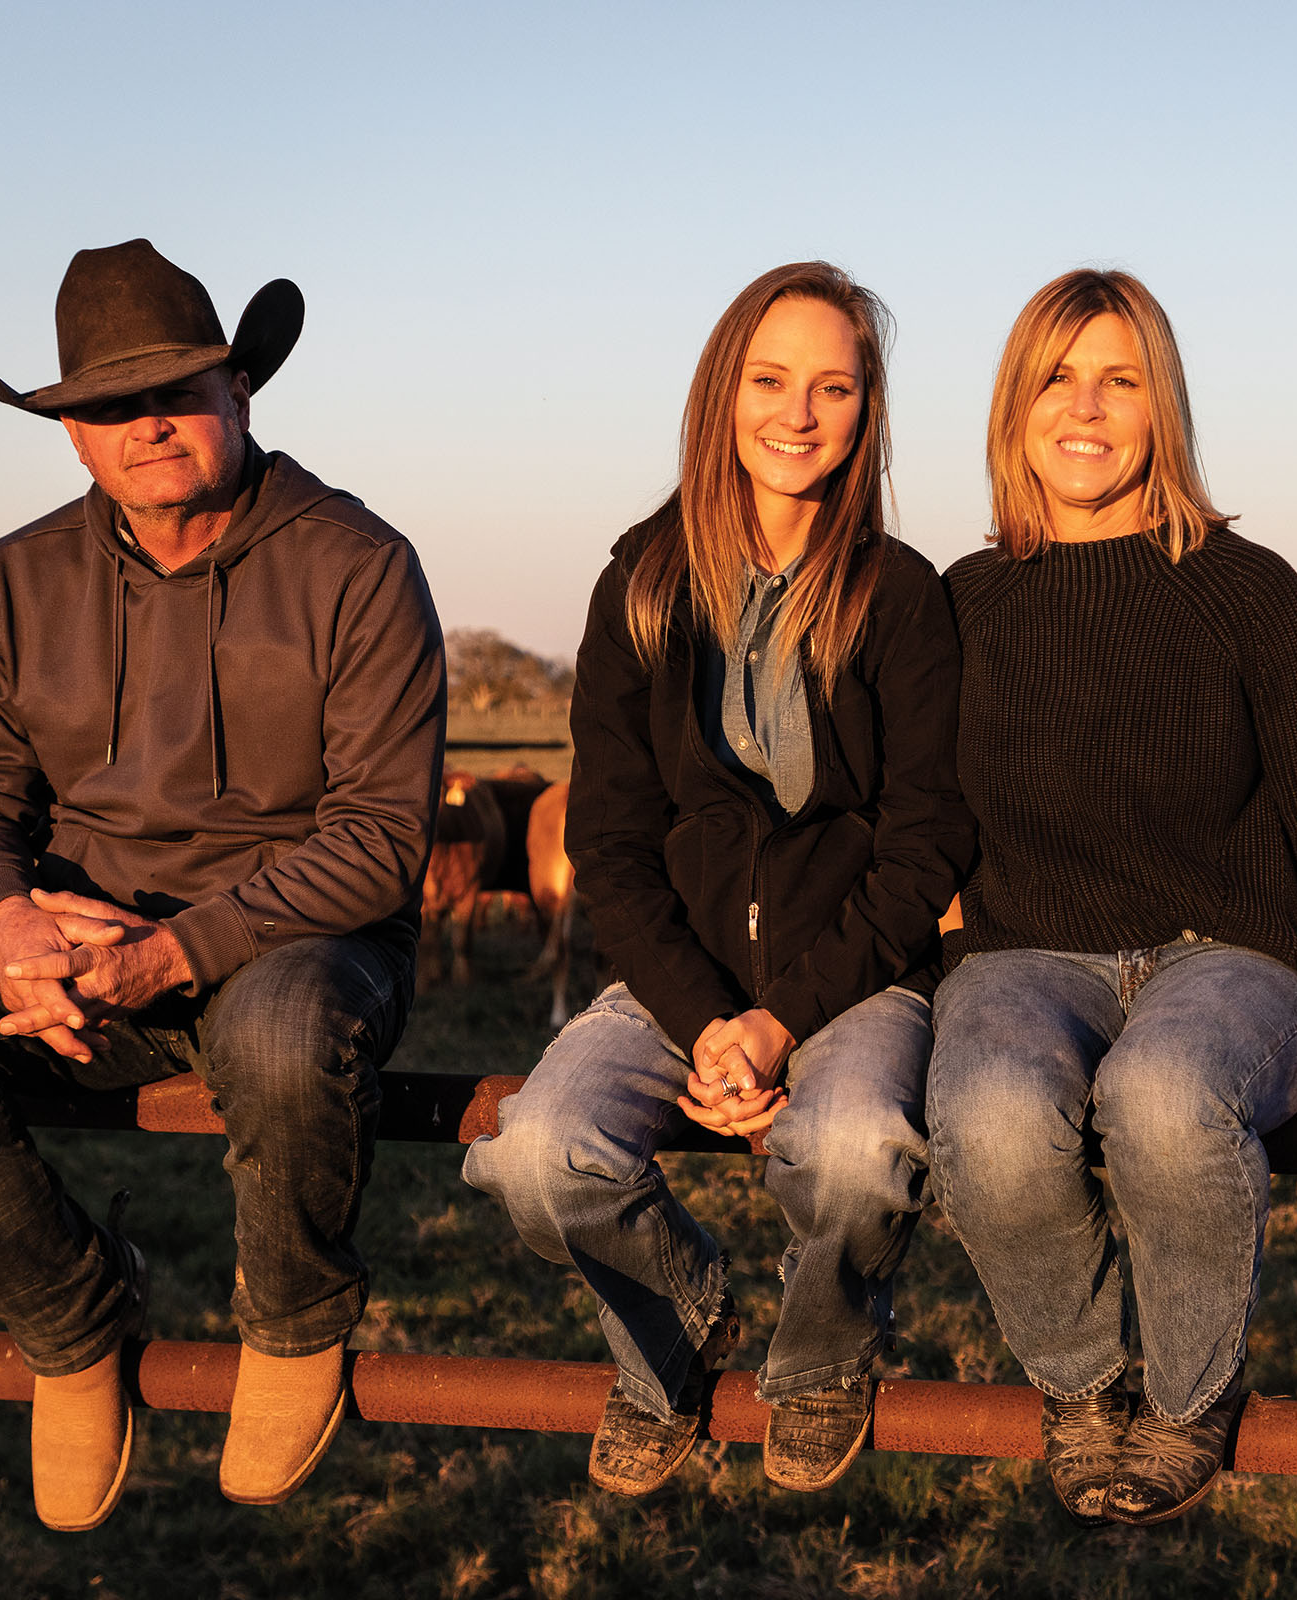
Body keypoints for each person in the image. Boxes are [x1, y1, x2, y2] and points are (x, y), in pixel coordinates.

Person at [0, 240, 446, 1529]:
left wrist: (171, 953)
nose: (148, 423)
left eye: (179, 391)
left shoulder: (360, 562)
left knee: (278, 1030)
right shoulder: (17, 574)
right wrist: (9, 924)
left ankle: (294, 1322)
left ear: (241, 396)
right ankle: (73, 1318)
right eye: (108, 405)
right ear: (73, 438)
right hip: (73, 949)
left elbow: (382, 834)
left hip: (299, 944)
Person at [463, 262, 971, 1497]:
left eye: (834, 387)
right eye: (770, 380)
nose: (799, 415)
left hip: (850, 977)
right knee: (540, 1152)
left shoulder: (901, 596)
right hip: (676, 978)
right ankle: (673, 1335)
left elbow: (928, 841)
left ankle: (818, 1360)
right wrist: (704, 1022)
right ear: (720, 394)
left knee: (853, 1151)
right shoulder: (639, 585)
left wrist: (778, 1019)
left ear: (869, 410)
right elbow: (617, 846)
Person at [927, 269, 1297, 1527]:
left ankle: (1192, 1390)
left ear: (1165, 409)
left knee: (1159, 1093)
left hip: (1236, 958)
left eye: (1121, 379)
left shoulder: (1249, 589)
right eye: (1056, 377)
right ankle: (1085, 1382)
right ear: (1013, 406)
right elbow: (908, 821)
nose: (1084, 408)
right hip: (1028, 954)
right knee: (985, 1105)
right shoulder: (962, 603)